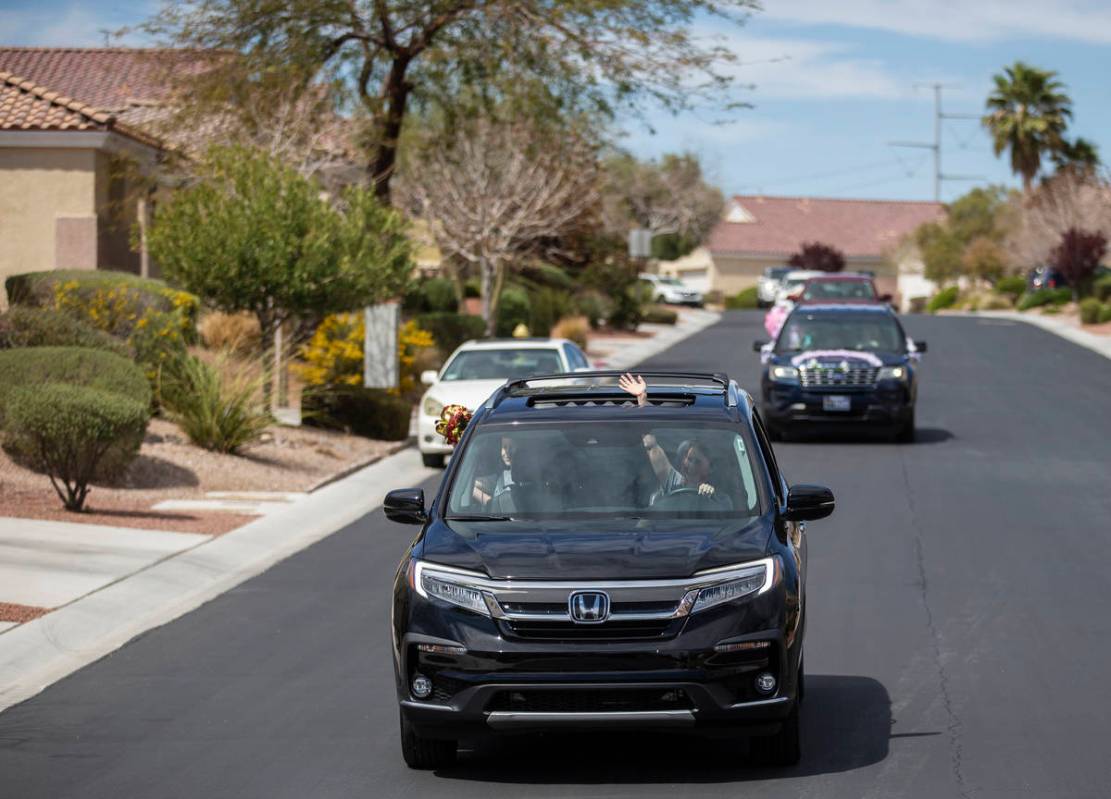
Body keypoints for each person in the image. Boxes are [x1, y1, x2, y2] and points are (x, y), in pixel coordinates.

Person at [618, 373, 728, 506]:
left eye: (697, 462)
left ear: (709, 468)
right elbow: (651, 446)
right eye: (689, 459)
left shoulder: (719, 495)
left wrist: (710, 495)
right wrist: (642, 399)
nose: (691, 465)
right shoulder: (673, 481)